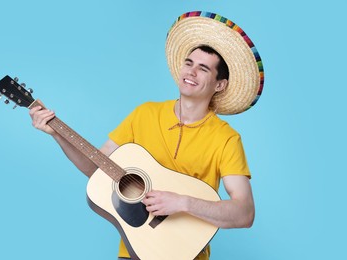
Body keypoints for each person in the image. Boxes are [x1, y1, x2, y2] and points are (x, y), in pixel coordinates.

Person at [29, 11, 264, 260]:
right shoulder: (145, 114)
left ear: (220, 84)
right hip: (134, 251)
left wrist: (182, 203)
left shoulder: (226, 139)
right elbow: (95, 167)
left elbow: (244, 213)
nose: (191, 72)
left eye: (203, 68)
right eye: (188, 63)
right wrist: (56, 133)